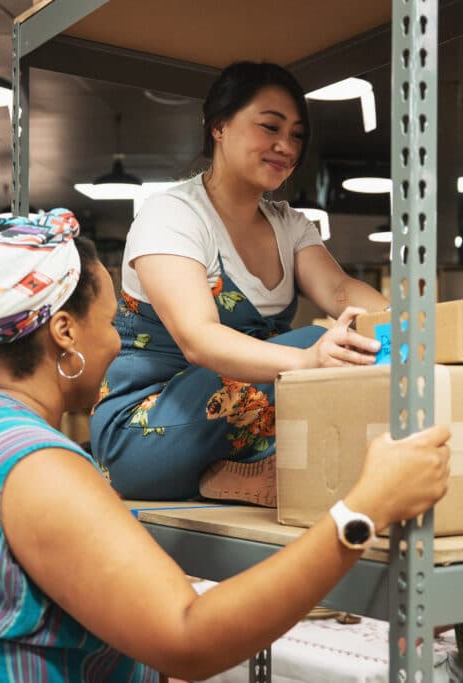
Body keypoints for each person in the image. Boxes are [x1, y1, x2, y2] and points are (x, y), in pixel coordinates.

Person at [0, 210, 452, 682]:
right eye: (111, 324)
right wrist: (364, 508)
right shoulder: (36, 469)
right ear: (64, 331)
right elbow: (190, 638)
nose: (116, 345)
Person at [90, 61, 389, 505]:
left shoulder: (290, 224)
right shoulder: (172, 214)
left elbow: (342, 292)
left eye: (297, 135)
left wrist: (410, 327)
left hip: (234, 433)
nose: (285, 146)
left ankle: (233, 475)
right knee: (322, 341)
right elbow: (199, 339)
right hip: (144, 435)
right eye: (270, 127)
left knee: (364, 340)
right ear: (219, 127)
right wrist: (309, 360)